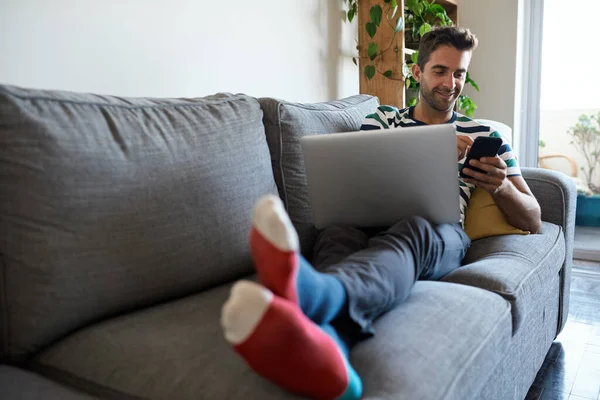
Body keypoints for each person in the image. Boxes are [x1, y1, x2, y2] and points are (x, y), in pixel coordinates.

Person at [220, 26, 542, 400]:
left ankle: (317, 293)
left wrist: (499, 185)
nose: (451, 83)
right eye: (440, 70)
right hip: (366, 224)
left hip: (439, 232)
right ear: (417, 73)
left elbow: (532, 217)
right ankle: (335, 364)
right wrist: (429, 145)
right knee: (337, 232)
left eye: (460, 73)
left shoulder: (485, 134)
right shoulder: (382, 121)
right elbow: (355, 180)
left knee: (416, 228)